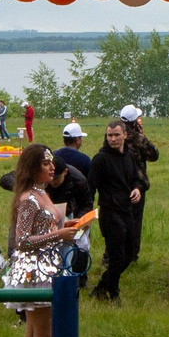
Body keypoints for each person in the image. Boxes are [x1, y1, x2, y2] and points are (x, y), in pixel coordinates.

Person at [0, 143, 72, 337]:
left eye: (51, 162)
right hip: (34, 270)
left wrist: (69, 226)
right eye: (45, 163)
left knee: (33, 332)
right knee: (42, 335)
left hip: (46, 265)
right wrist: (59, 234)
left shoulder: (42, 193)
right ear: (32, 168)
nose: (52, 167)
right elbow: (22, 240)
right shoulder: (28, 199)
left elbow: (48, 224)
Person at [88, 119, 147, 300]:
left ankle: (101, 287)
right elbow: (90, 187)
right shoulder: (101, 159)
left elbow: (135, 179)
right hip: (109, 212)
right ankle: (112, 294)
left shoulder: (128, 156)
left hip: (126, 211)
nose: (113, 139)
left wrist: (137, 189)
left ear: (125, 135)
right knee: (116, 255)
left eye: (116, 135)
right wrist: (87, 214)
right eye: (109, 135)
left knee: (129, 254)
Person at [51, 122, 95, 283]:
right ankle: (79, 275)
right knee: (79, 242)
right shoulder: (84, 160)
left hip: (60, 209)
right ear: (77, 140)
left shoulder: (52, 156)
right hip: (71, 210)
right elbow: (88, 194)